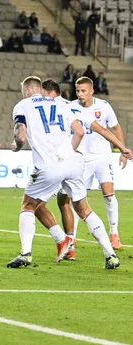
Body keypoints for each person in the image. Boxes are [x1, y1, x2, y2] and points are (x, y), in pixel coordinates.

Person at [6, 76, 129, 269]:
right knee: (84, 210)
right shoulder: (65, 104)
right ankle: (110, 255)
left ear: (29, 91)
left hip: (49, 165)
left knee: (29, 205)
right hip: (73, 163)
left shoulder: (23, 104)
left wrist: (16, 146)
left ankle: (26, 254)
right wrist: (122, 148)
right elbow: (85, 131)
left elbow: (21, 135)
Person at [69, 77, 127, 250]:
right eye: (78, 90)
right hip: (82, 159)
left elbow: (116, 128)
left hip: (102, 157)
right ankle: (72, 237)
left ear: (92, 91)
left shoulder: (103, 106)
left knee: (109, 195)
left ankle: (114, 234)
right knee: (77, 199)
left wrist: (122, 151)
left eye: (83, 91)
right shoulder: (71, 107)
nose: (80, 94)